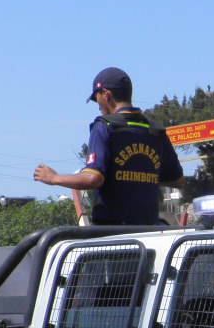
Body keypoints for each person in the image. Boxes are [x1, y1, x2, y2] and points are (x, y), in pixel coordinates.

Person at [34, 67, 184, 225]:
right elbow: (177, 180)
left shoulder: (104, 126)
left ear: (106, 94)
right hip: (148, 229)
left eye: (96, 98)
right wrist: (141, 174)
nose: (98, 105)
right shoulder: (155, 131)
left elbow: (93, 178)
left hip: (112, 234)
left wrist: (54, 178)